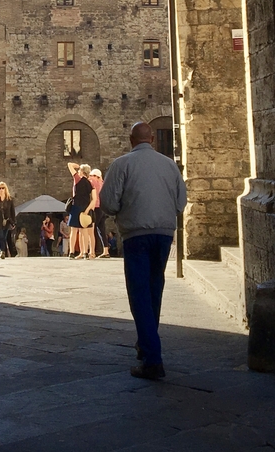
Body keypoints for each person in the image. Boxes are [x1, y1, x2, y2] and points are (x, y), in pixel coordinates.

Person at [101, 121, 187, 380]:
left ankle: (152, 359)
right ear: (152, 138)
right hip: (163, 235)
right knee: (154, 290)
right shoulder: (170, 165)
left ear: (131, 140)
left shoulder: (121, 164)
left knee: (139, 294)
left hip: (136, 235)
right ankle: (146, 343)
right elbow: (181, 202)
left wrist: (123, 210)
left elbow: (107, 203)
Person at [73, 165, 95, 259]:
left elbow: (69, 165)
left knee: (79, 231)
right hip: (87, 208)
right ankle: (85, 252)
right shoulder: (91, 183)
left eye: (80, 170)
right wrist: (88, 210)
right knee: (85, 231)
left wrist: (76, 165)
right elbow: (93, 199)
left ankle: (82, 252)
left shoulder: (78, 180)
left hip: (79, 207)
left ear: (82, 172)